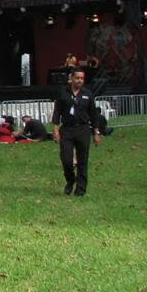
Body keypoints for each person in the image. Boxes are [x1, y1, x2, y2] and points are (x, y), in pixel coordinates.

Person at [51, 67, 102, 197]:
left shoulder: (88, 94)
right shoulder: (63, 93)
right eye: (77, 78)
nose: (80, 80)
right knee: (66, 159)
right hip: (67, 129)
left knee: (82, 161)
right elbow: (57, 112)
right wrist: (55, 129)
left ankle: (80, 189)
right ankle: (70, 180)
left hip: (83, 129)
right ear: (71, 78)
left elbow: (94, 114)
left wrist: (96, 132)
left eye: (82, 78)